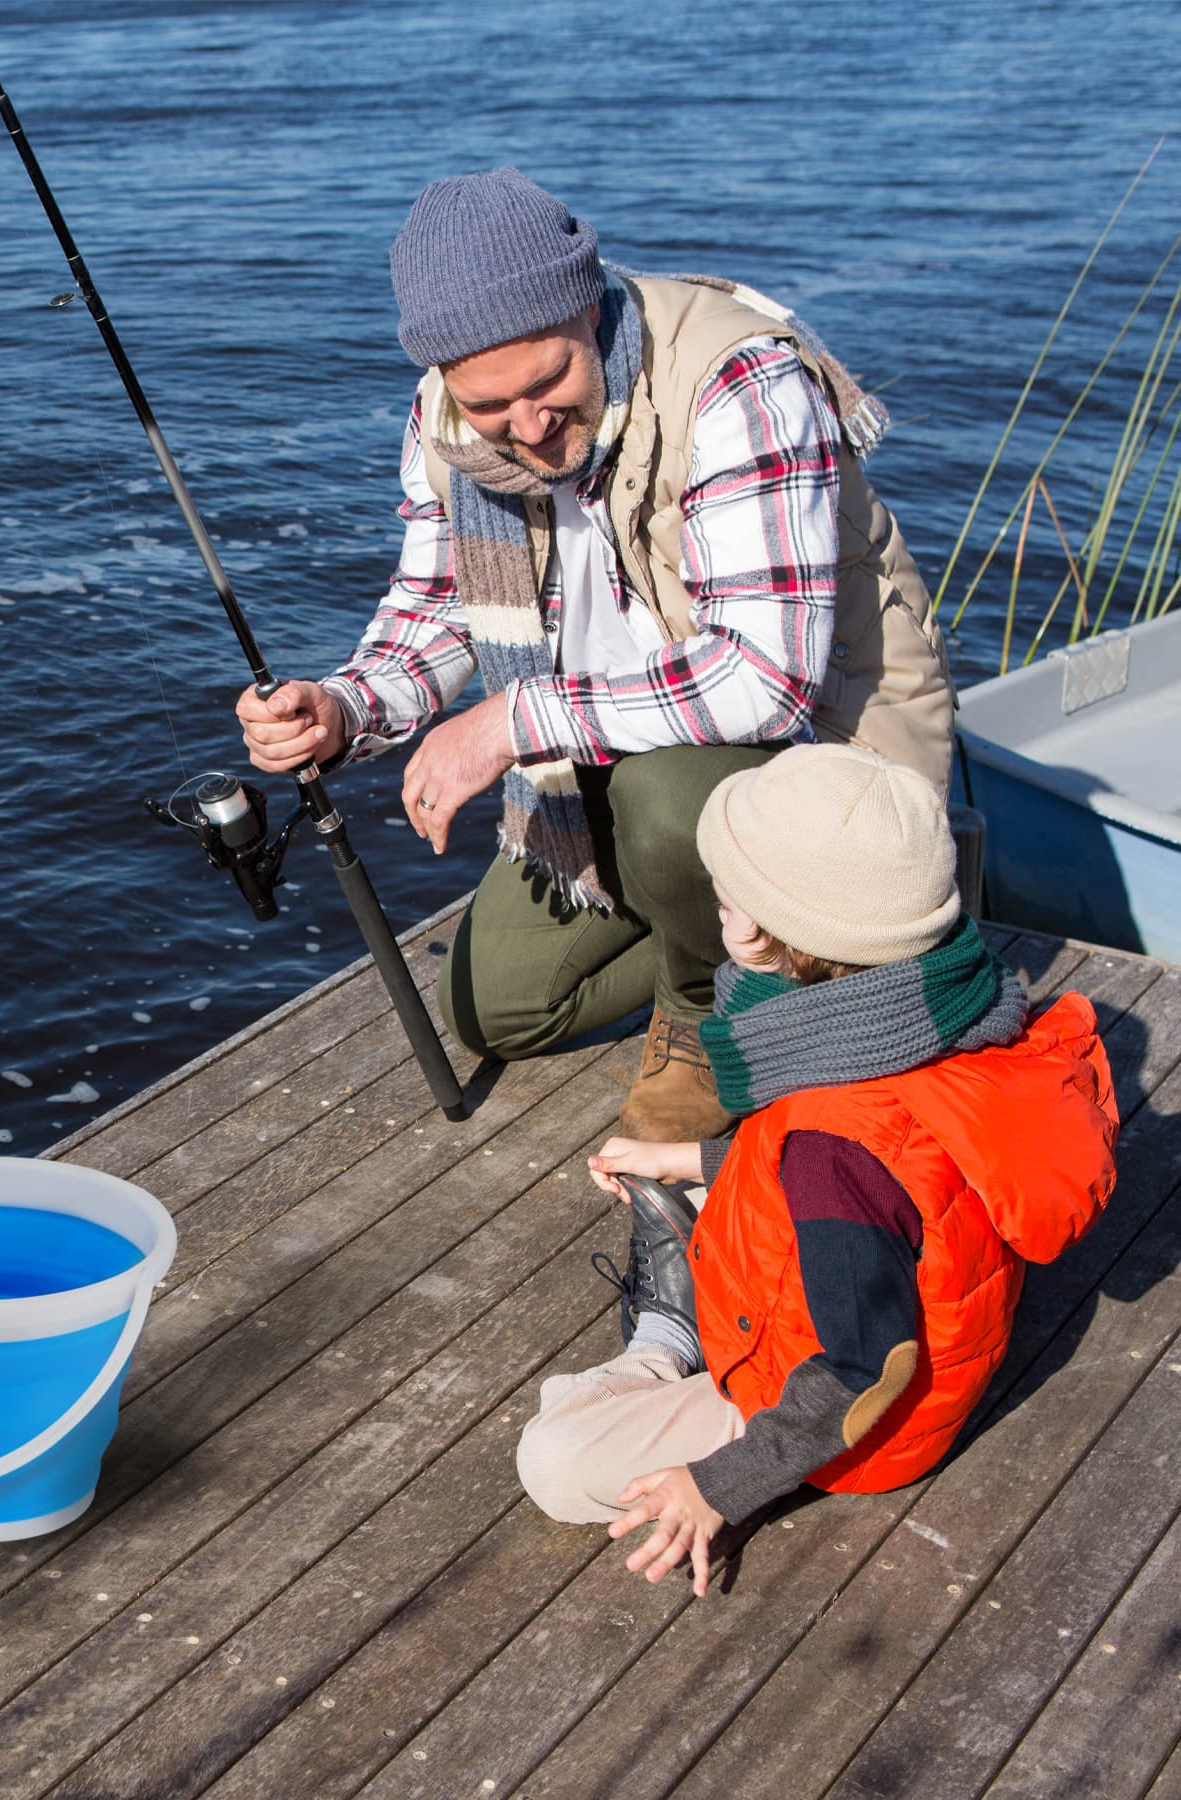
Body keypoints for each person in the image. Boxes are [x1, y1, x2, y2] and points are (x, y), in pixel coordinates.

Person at [236, 168, 952, 1141]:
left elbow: (765, 681)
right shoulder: (447, 419)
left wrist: (511, 720)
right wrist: (345, 709)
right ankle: (741, 940)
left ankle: (711, 1014)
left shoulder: (736, 377)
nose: (529, 427)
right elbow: (439, 604)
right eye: (492, 404)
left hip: (824, 757)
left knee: (667, 798)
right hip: (605, 744)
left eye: (549, 383)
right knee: (499, 1007)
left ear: (591, 306)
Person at [513, 744, 1118, 1595]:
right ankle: (685, 1311)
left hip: (860, 1424)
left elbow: (865, 1366)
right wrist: (695, 1160)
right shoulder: (943, 1013)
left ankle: (668, 1339)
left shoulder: (832, 1146)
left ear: (760, 932)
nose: (717, 907)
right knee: (724, 1194)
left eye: (725, 895)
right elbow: (904, 1177)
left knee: (552, 1456)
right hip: (910, 1297)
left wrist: (719, 1487)